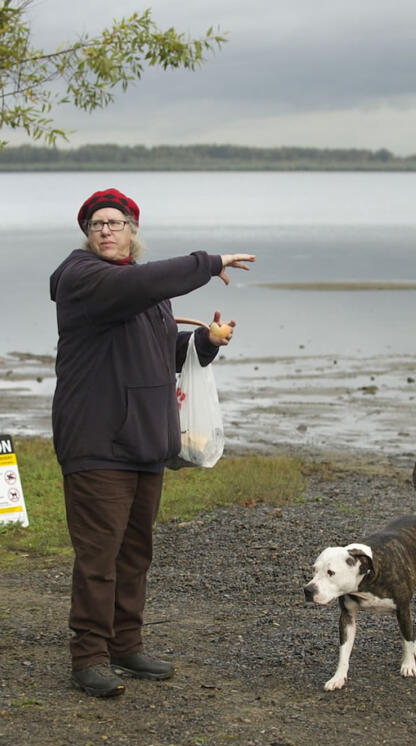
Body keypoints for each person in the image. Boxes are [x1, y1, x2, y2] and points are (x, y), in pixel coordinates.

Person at [49, 187, 254, 697]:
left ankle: (125, 644)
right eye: (96, 223)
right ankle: (90, 656)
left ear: (132, 231)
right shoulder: (82, 278)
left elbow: (163, 352)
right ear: (86, 235)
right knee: (99, 555)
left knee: (135, 553)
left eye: (115, 222)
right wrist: (207, 262)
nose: (105, 229)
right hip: (97, 442)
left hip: (144, 442)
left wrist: (203, 343)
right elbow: (145, 281)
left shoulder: (144, 294)